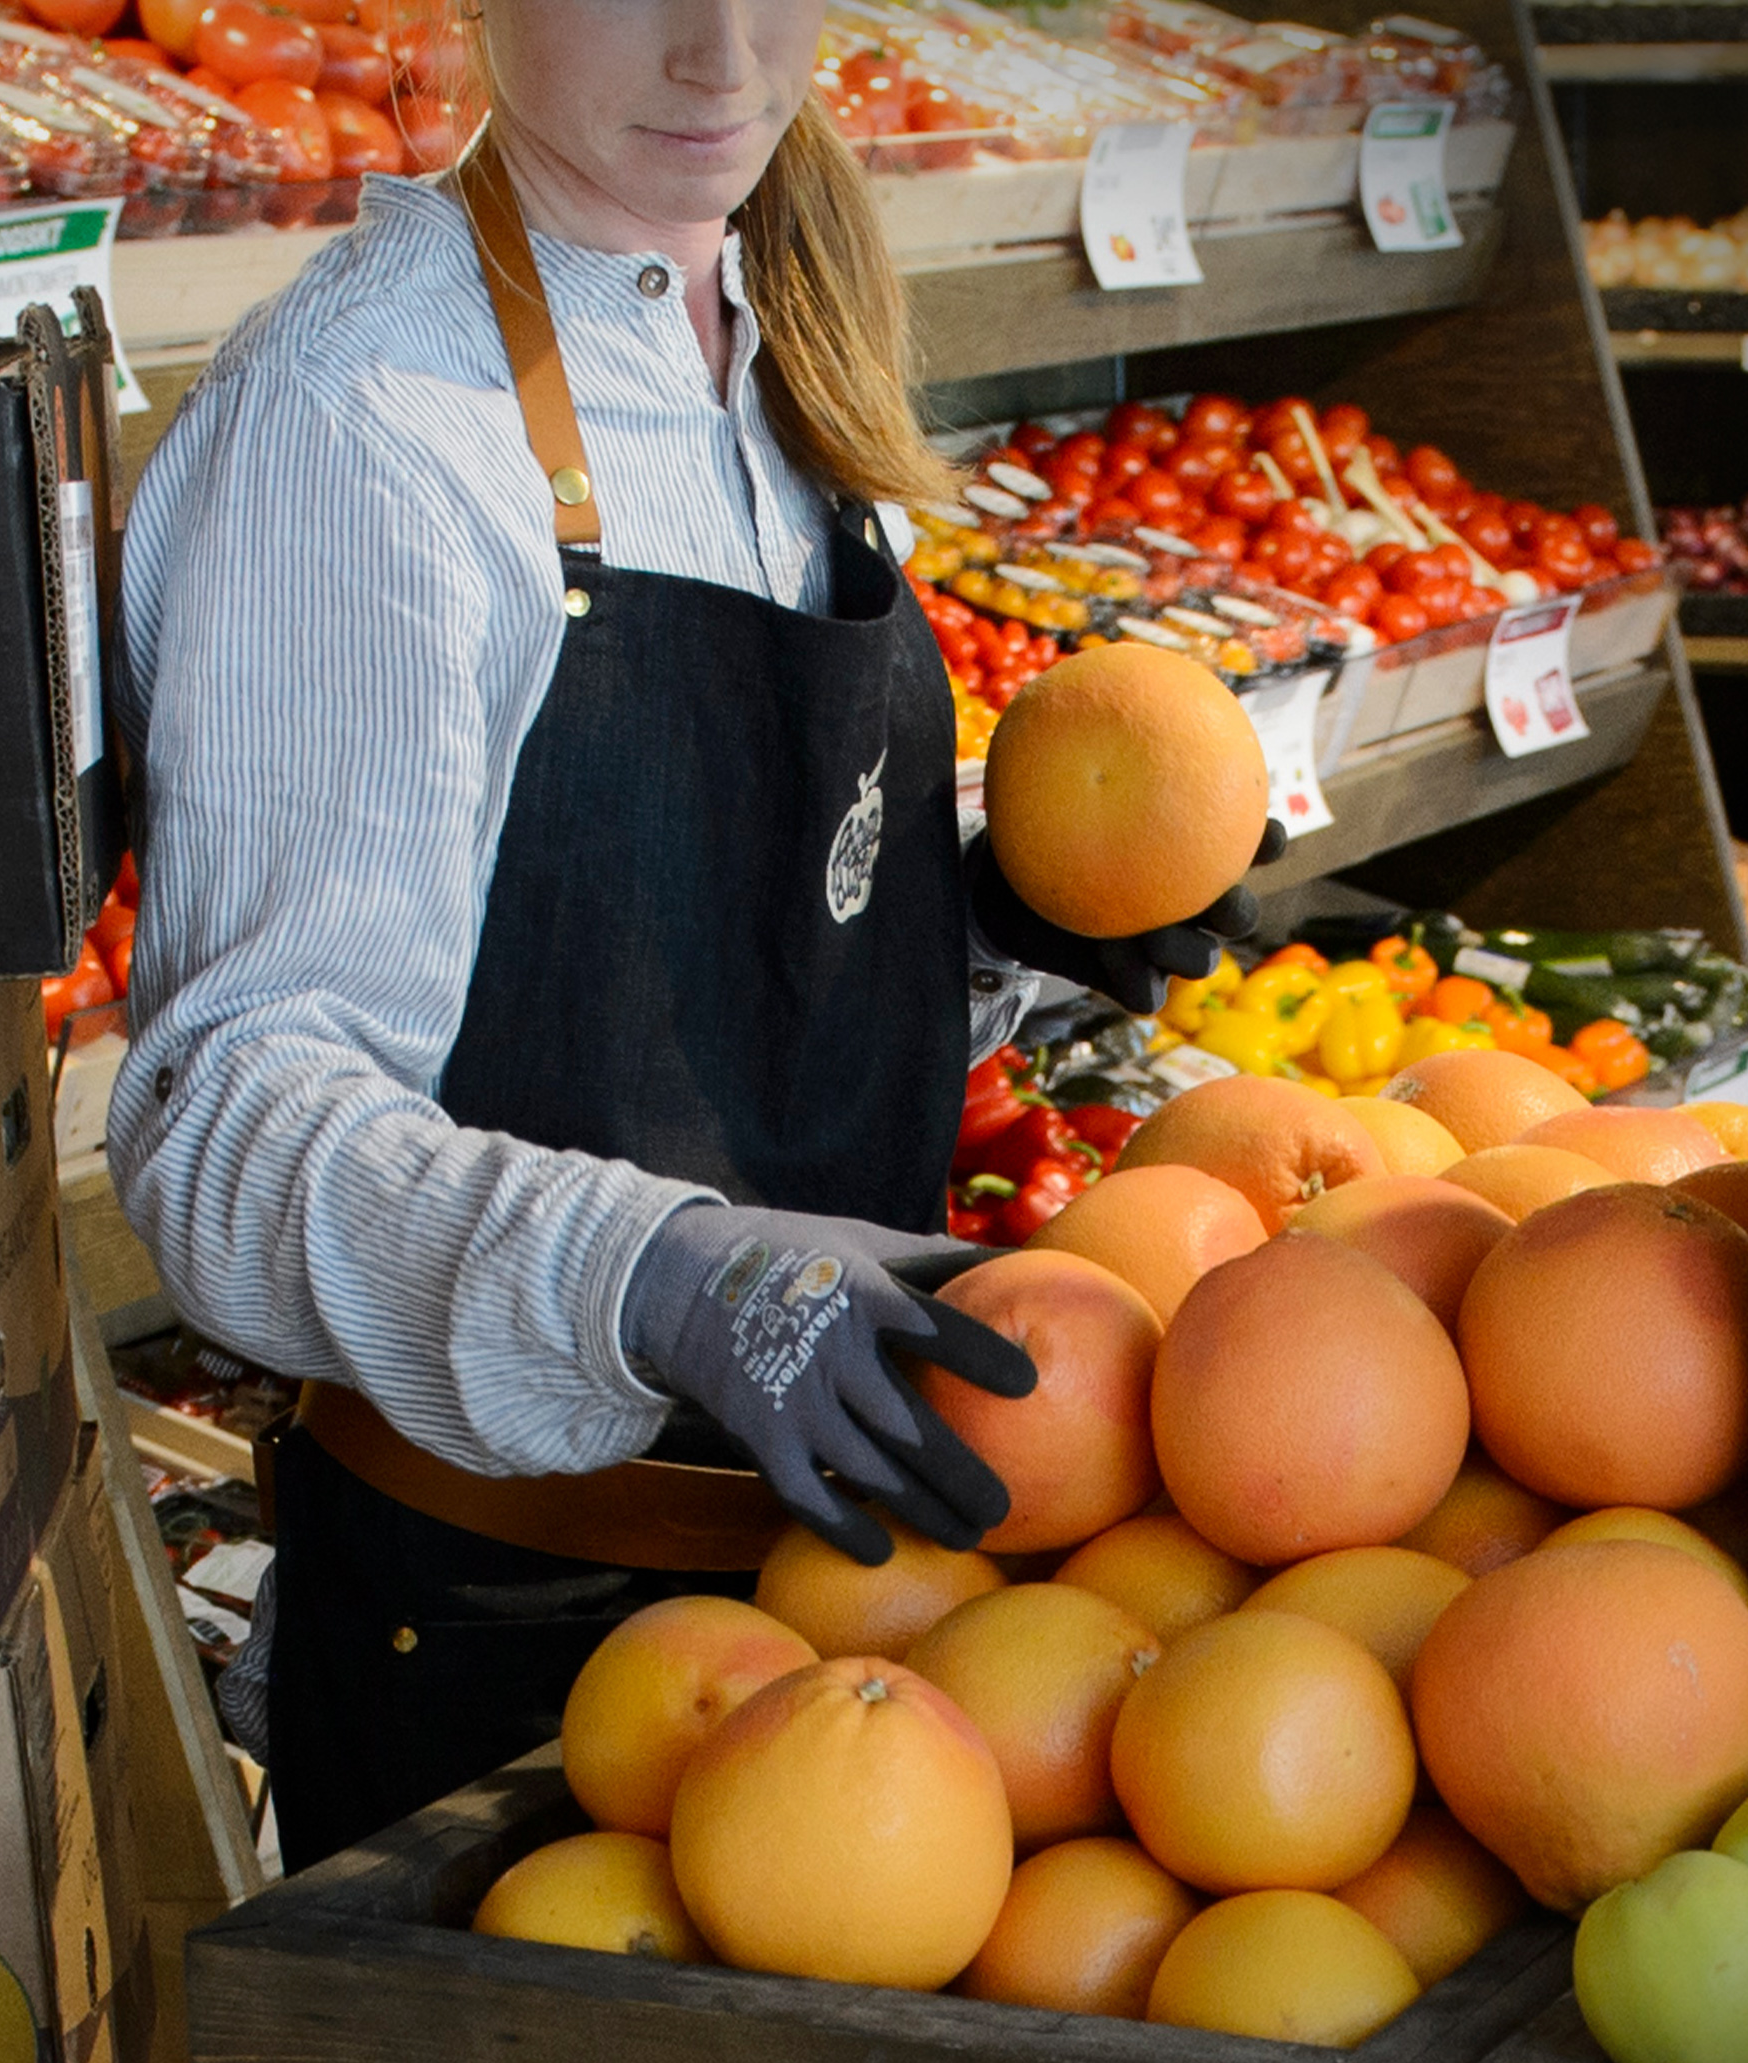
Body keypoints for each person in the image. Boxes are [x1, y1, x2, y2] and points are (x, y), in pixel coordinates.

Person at [114, 0, 1271, 1869]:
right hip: (509, 1655)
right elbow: (223, 1128)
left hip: (855, 1624)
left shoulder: (782, 358)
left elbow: (675, 995)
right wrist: (662, 1280)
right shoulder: (366, 428)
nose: (722, 55)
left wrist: (966, 928)